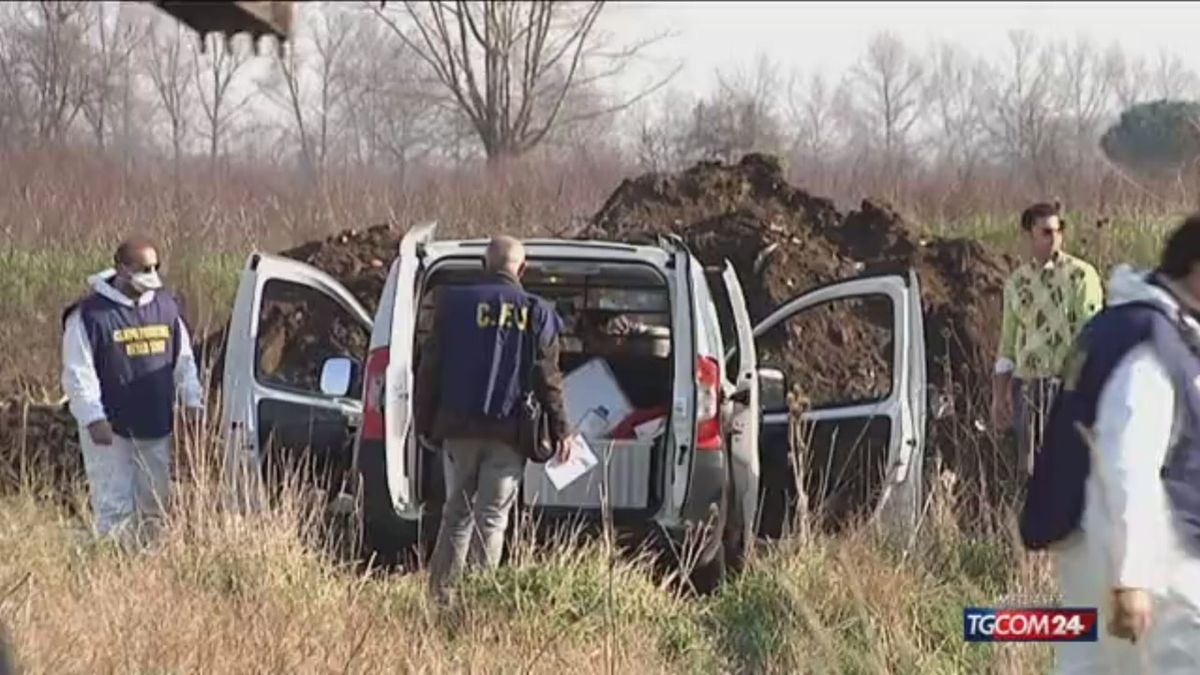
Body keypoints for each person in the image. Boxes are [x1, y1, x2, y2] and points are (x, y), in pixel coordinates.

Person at [1021, 215, 1200, 673]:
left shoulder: (1121, 325)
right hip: (1153, 569)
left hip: (1098, 549)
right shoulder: (1151, 347)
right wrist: (1131, 577)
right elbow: (1126, 463)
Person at [415, 235, 573, 605]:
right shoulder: (538, 311)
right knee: (491, 520)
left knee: (456, 515)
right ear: (523, 267)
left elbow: (430, 368)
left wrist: (423, 423)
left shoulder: (451, 305)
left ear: (484, 264)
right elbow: (548, 377)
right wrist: (562, 429)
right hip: (508, 435)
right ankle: (477, 605)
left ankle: (440, 603)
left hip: (457, 430)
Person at [61, 235, 204, 546]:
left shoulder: (166, 308)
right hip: (110, 430)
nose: (150, 274)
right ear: (121, 268)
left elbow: (183, 360)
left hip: (155, 423)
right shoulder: (89, 315)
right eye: (142, 268)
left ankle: (149, 568)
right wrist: (92, 417)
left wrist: (192, 400)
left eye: (155, 267)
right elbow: (77, 373)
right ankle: (117, 569)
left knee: (155, 501)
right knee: (115, 504)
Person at [992, 201, 1104, 481]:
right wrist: (999, 394)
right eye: (1045, 232)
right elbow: (1008, 343)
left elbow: (1091, 334)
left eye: (1058, 230)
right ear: (1029, 235)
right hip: (1028, 386)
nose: (1053, 238)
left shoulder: (1080, 276)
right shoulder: (1018, 283)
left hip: (1067, 385)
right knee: (1031, 472)